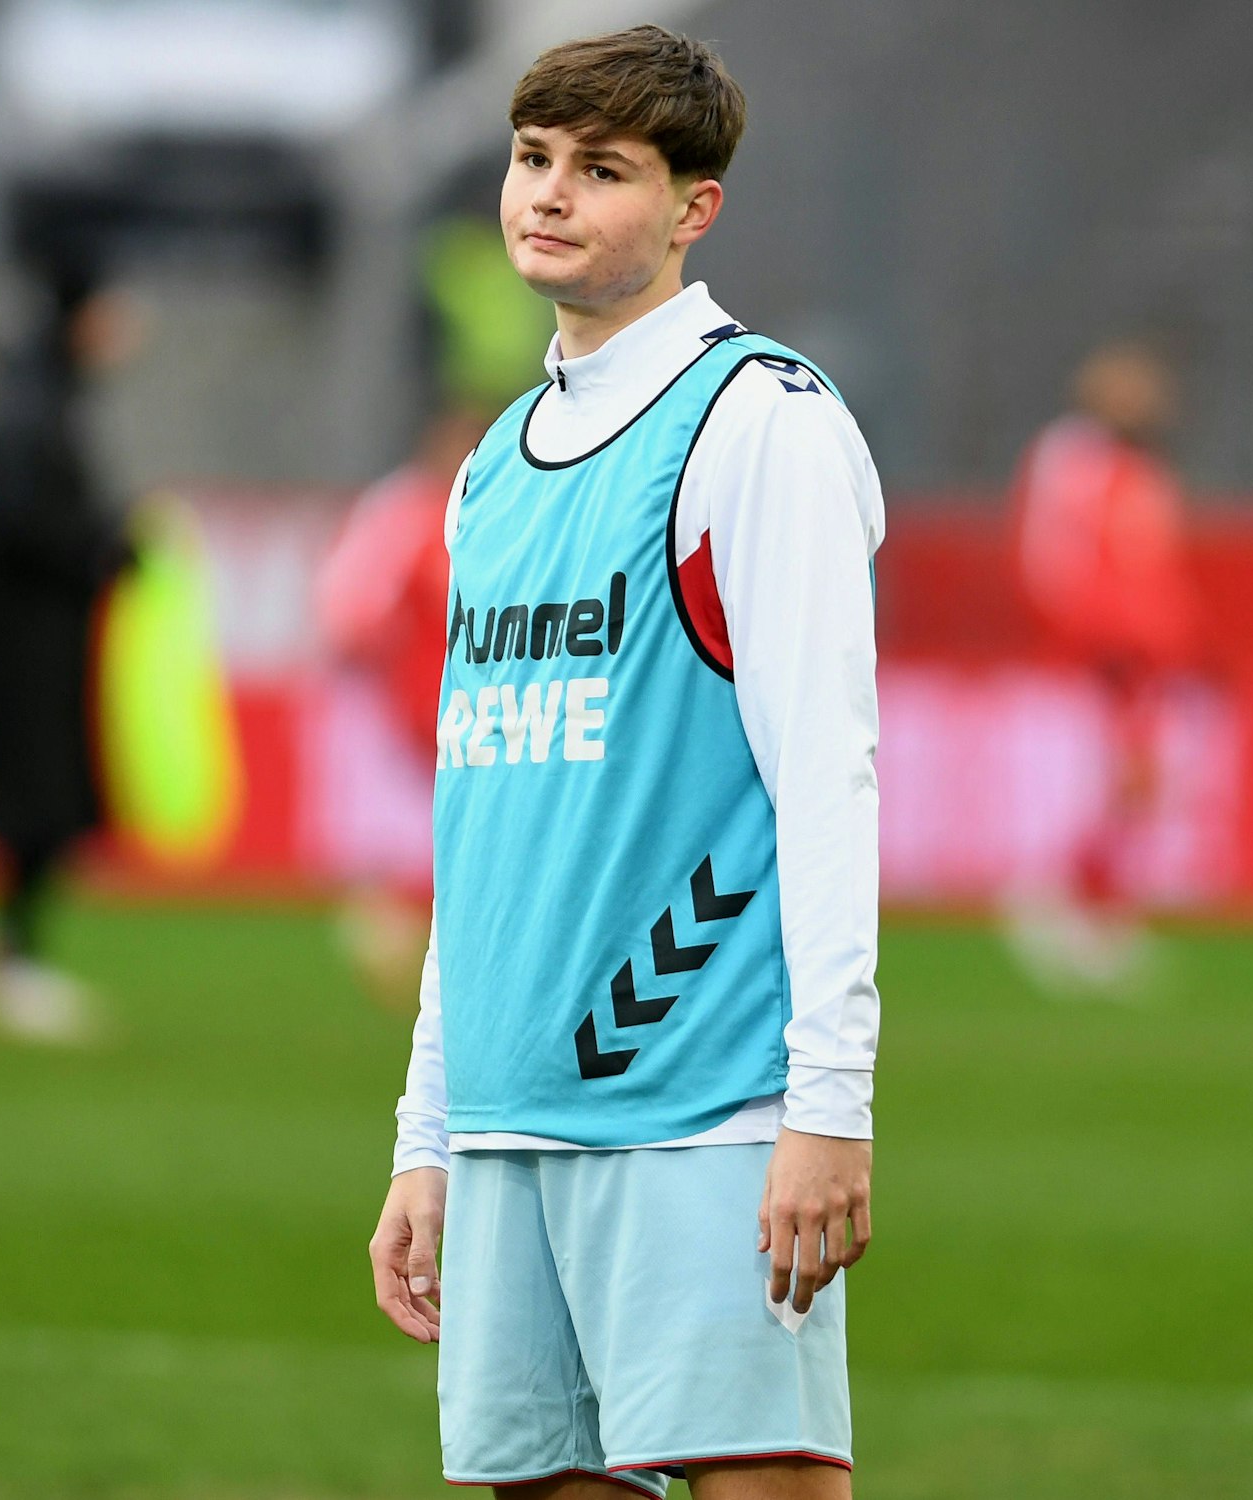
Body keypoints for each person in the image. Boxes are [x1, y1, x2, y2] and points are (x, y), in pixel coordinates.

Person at [368, 26, 883, 1499]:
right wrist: (431, 1132)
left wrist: (826, 1103)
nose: (548, 195)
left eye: (603, 170)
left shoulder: (756, 424)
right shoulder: (495, 463)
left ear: (692, 208)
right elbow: (481, 823)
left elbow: (828, 777)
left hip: (700, 1112)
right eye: (534, 159)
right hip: (511, 1120)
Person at [0, 256, 137, 1045]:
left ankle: (8, 948)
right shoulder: (32, 404)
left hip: (41, 631)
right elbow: (25, 519)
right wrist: (100, 550)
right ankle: (9, 957)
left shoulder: (45, 394)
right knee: (39, 796)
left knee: (52, 799)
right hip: (25, 639)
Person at [1004, 340, 1198, 990]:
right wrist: (1090, 630)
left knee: (1136, 786)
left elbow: (1154, 567)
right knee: (1095, 783)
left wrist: (1174, 638)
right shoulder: (1077, 459)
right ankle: (1058, 908)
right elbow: (1054, 557)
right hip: (1093, 655)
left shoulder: (1137, 466)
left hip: (1138, 657)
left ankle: (1102, 913)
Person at [314, 404, 488, 1003]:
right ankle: (386, 938)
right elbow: (349, 606)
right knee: (387, 831)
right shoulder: (403, 509)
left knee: (434, 834)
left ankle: (409, 946)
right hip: (386, 698)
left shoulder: (487, 505)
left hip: (441, 700)